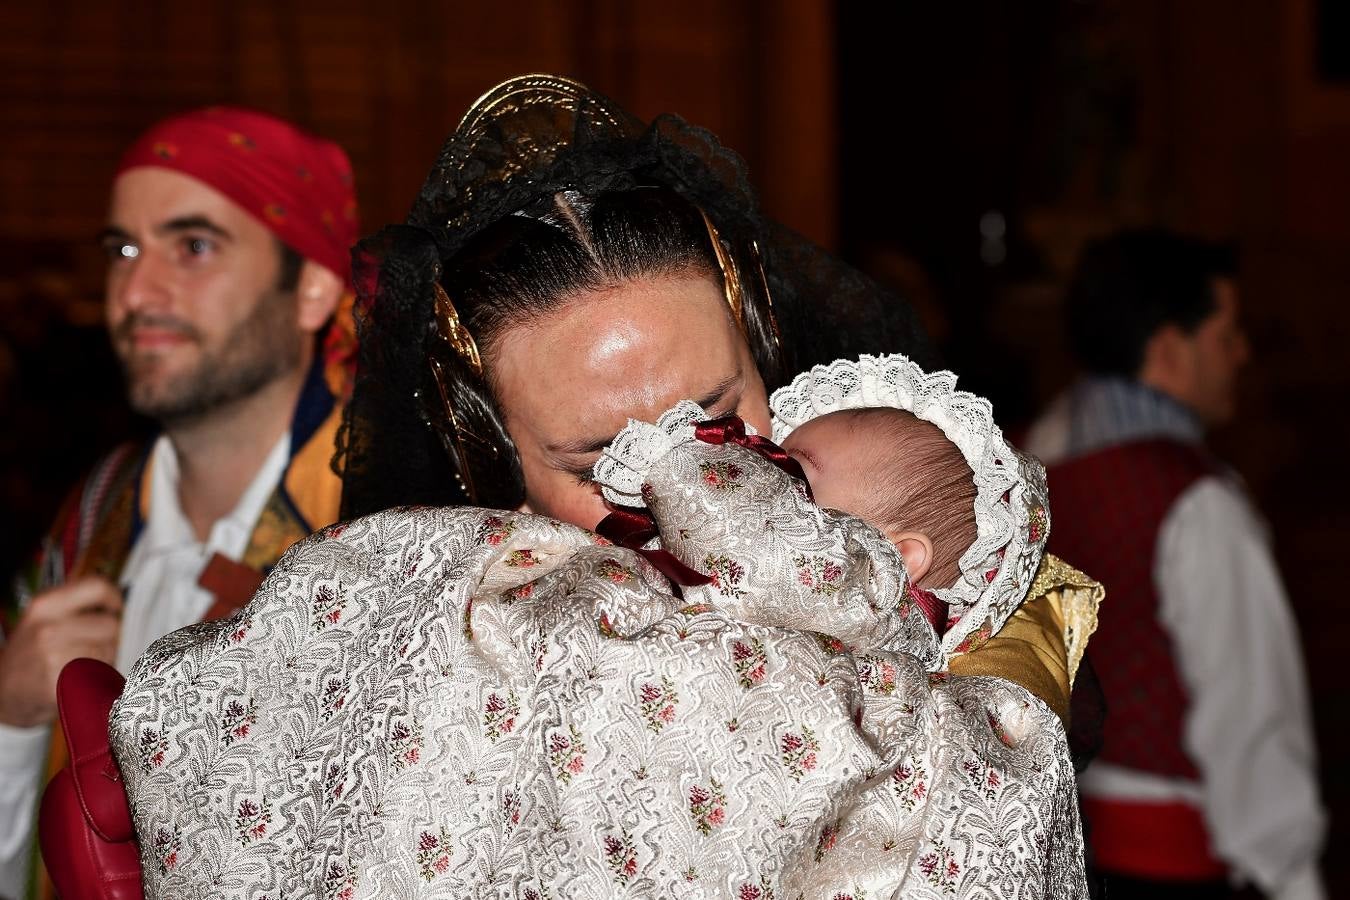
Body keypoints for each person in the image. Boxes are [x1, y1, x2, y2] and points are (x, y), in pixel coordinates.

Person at [105, 360, 1091, 898]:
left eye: (785, 472)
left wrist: (677, 462)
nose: (745, 463)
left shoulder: (859, 595)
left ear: (901, 554)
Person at [0, 107, 359, 898]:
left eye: (192, 247)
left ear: (311, 289)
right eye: (121, 249)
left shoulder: (381, 534)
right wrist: (14, 720)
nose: (135, 290)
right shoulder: (94, 512)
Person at [1024, 229, 1326, 899]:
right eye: (1226, 336)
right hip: (1169, 867)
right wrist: (1295, 878)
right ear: (1167, 352)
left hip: (1047, 857)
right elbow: (1251, 724)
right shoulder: (1198, 503)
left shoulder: (1024, 468)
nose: (1243, 355)